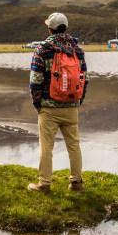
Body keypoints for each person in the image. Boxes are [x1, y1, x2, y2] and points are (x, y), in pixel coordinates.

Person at [27, 12, 88, 193]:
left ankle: (44, 184)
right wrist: (78, 100)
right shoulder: (77, 49)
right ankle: (76, 182)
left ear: (49, 29)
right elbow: (85, 78)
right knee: (74, 145)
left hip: (48, 106)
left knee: (47, 148)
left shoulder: (43, 49)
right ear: (66, 28)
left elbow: (35, 80)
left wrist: (37, 104)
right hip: (71, 106)